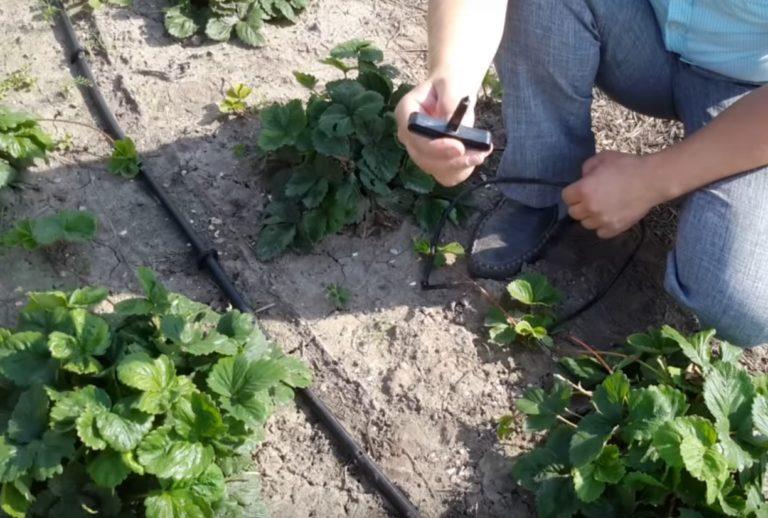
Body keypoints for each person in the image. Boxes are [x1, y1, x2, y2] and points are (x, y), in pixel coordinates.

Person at [395, 0, 768, 347]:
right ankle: (541, 187)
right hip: (647, 31)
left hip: (751, 90)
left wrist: (653, 179)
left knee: (737, 304)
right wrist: (452, 77)